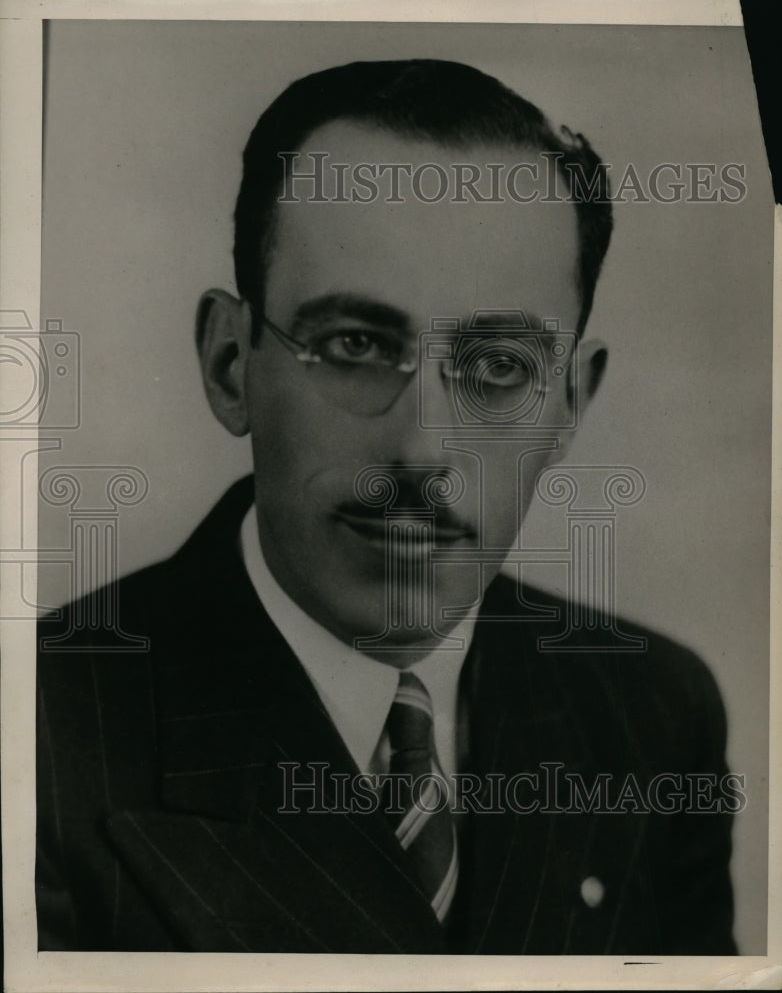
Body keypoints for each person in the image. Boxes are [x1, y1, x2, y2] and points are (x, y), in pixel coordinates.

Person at [36, 58, 737, 954]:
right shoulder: (41, 737)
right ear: (228, 363)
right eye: (356, 344)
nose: (421, 453)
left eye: (498, 367)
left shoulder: (653, 715)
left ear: (570, 406)